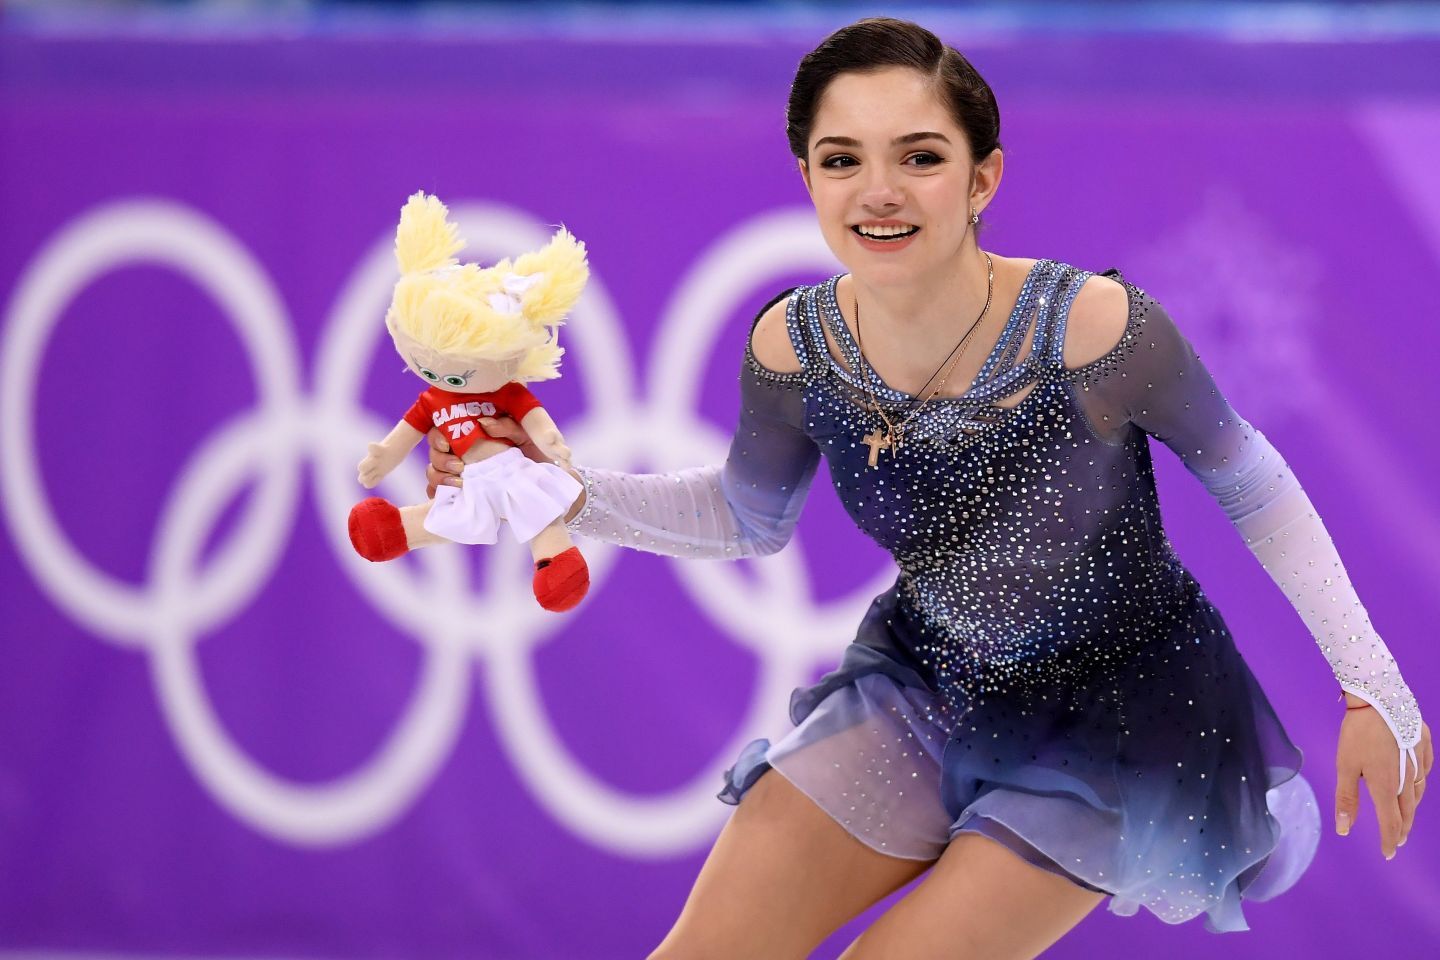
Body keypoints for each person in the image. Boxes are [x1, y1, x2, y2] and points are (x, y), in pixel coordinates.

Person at [425, 17, 1430, 959]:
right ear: (807, 178)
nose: (879, 192)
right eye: (841, 160)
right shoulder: (793, 348)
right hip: (924, 684)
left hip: (1118, 721)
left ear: (983, 177)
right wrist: (569, 493)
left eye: (919, 157)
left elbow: (1256, 488)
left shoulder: (1095, 330)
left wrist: (1372, 686)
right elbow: (746, 515)